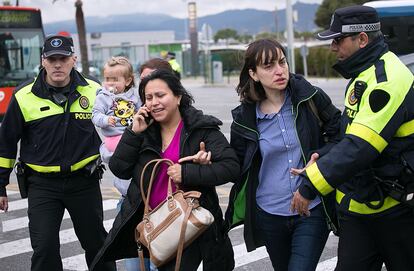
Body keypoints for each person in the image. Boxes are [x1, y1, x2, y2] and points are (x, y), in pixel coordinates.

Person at [290, 5, 414, 271]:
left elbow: (360, 147)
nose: (333, 47)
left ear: (362, 39)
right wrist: (322, 156)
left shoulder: (387, 79)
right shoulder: (364, 74)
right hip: (362, 209)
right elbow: (350, 135)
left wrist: (310, 184)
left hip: (395, 212)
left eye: (338, 40)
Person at [90, 69, 239, 271]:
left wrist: (187, 173)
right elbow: (119, 169)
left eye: (161, 95)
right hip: (157, 225)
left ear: (178, 96)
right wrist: (133, 133)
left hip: (190, 223)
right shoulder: (142, 131)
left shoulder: (200, 129)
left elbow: (231, 167)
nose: (154, 102)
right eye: (148, 98)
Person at [0, 34, 116, 271]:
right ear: (43, 61)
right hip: (43, 186)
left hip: (85, 182)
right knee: (44, 249)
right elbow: (6, 143)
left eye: (63, 58)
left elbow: (120, 124)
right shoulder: (24, 96)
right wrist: (1, 184)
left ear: (74, 59)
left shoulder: (93, 90)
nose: (57, 64)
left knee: (98, 246)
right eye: (51, 59)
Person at [224, 38, 341, 271]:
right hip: (268, 214)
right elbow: (235, 164)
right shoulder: (244, 118)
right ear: (254, 74)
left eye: (282, 62)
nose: (279, 71)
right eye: (268, 66)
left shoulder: (310, 98)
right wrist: (208, 158)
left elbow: (341, 136)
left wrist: (318, 158)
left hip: (311, 208)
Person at [92, 56, 146, 270]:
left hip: (133, 136)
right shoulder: (103, 97)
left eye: (115, 79)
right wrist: (107, 120)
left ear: (128, 80)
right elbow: (95, 116)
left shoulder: (135, 96)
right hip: (115, 140)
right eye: (107, 79)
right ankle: (126, 193)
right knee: (119, 163)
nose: (110, 83)